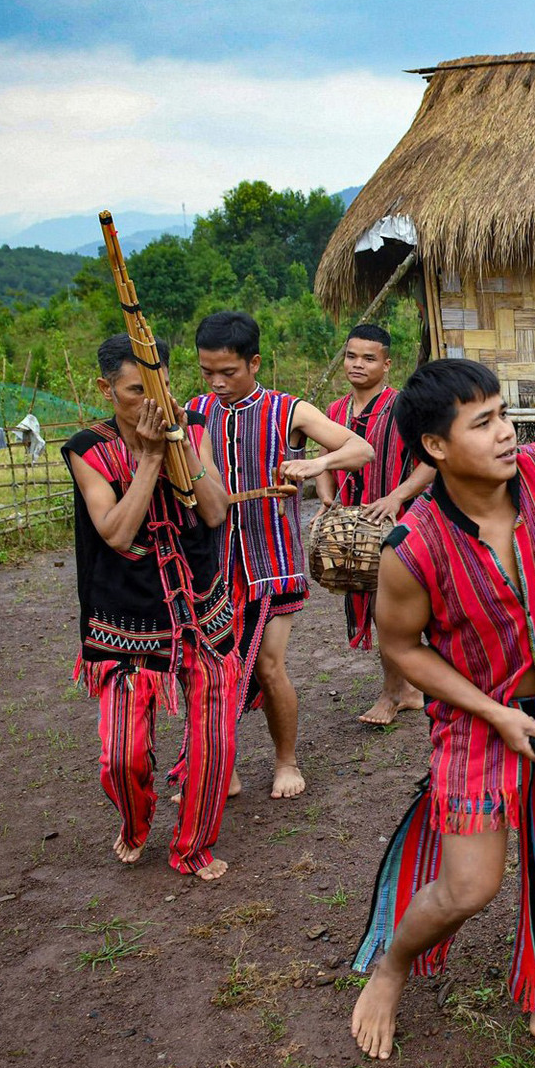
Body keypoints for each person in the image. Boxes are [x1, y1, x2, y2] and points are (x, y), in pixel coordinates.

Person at [349, 359, 535, 1060]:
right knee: (469, 886)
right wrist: (494, 712)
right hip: (475, 722)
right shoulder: (413, 546)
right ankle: (392, 968)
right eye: (482, 423)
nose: (506, 433)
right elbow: (402, 646)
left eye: (503, 414)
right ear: (435, 446)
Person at [63, 335, 238, 880]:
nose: (152, 401)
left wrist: (181, 448)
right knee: (122, 755)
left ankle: (192, 846)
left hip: (200, 606)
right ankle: (135, 821)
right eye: (138, 390)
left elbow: (214, 512)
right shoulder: (86, 449)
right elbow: (115, 532)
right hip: (126, 615)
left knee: (213, 740)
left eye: (159, 386)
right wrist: (150, 459)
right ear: (106, 389)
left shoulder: (196, 429)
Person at [188, 310, 374, 799]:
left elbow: (361, 450)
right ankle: (219, 767)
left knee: (269, 666)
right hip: (212, 566)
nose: (218, 382)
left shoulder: (290, 410)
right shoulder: (194, 412)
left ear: (254, 362)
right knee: (213, 668)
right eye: (208, 372)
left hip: (273, 564)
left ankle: (286, 762)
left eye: (228, 372)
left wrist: (317, 462)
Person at [316, 323, 435, 726]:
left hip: (400, 525)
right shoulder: (333, 413)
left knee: (392, 611)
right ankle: (410, 688)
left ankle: (394, 693)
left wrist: (396, 496)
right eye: (351, 356)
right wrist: (327, 499)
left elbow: (432, 462)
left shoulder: (404, 407)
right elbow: (324, 459)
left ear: (386, 364)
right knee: (381, 608)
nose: (358, 364)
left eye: (369, 358)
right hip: (353, 531)